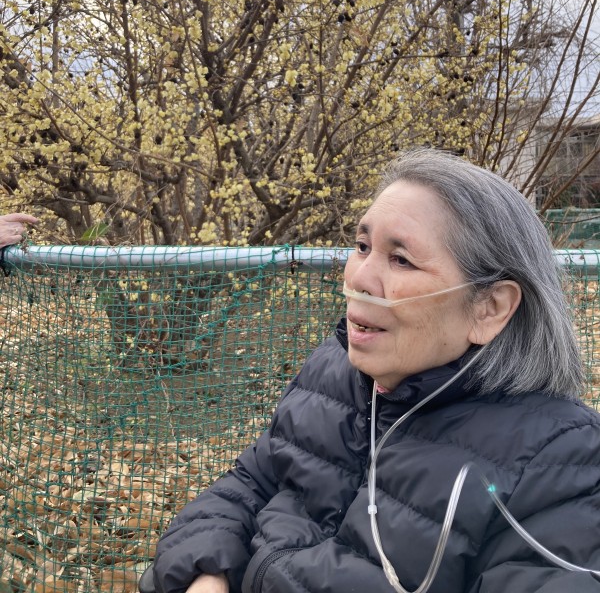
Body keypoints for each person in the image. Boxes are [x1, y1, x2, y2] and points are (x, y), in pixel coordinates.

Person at [147, 149, 600, 593]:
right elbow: (251, 483)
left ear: (490, 307)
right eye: (362, 247)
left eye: (401, 259)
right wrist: (207, 570)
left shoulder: (560, 461)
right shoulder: (332, 374)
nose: (359, 277)